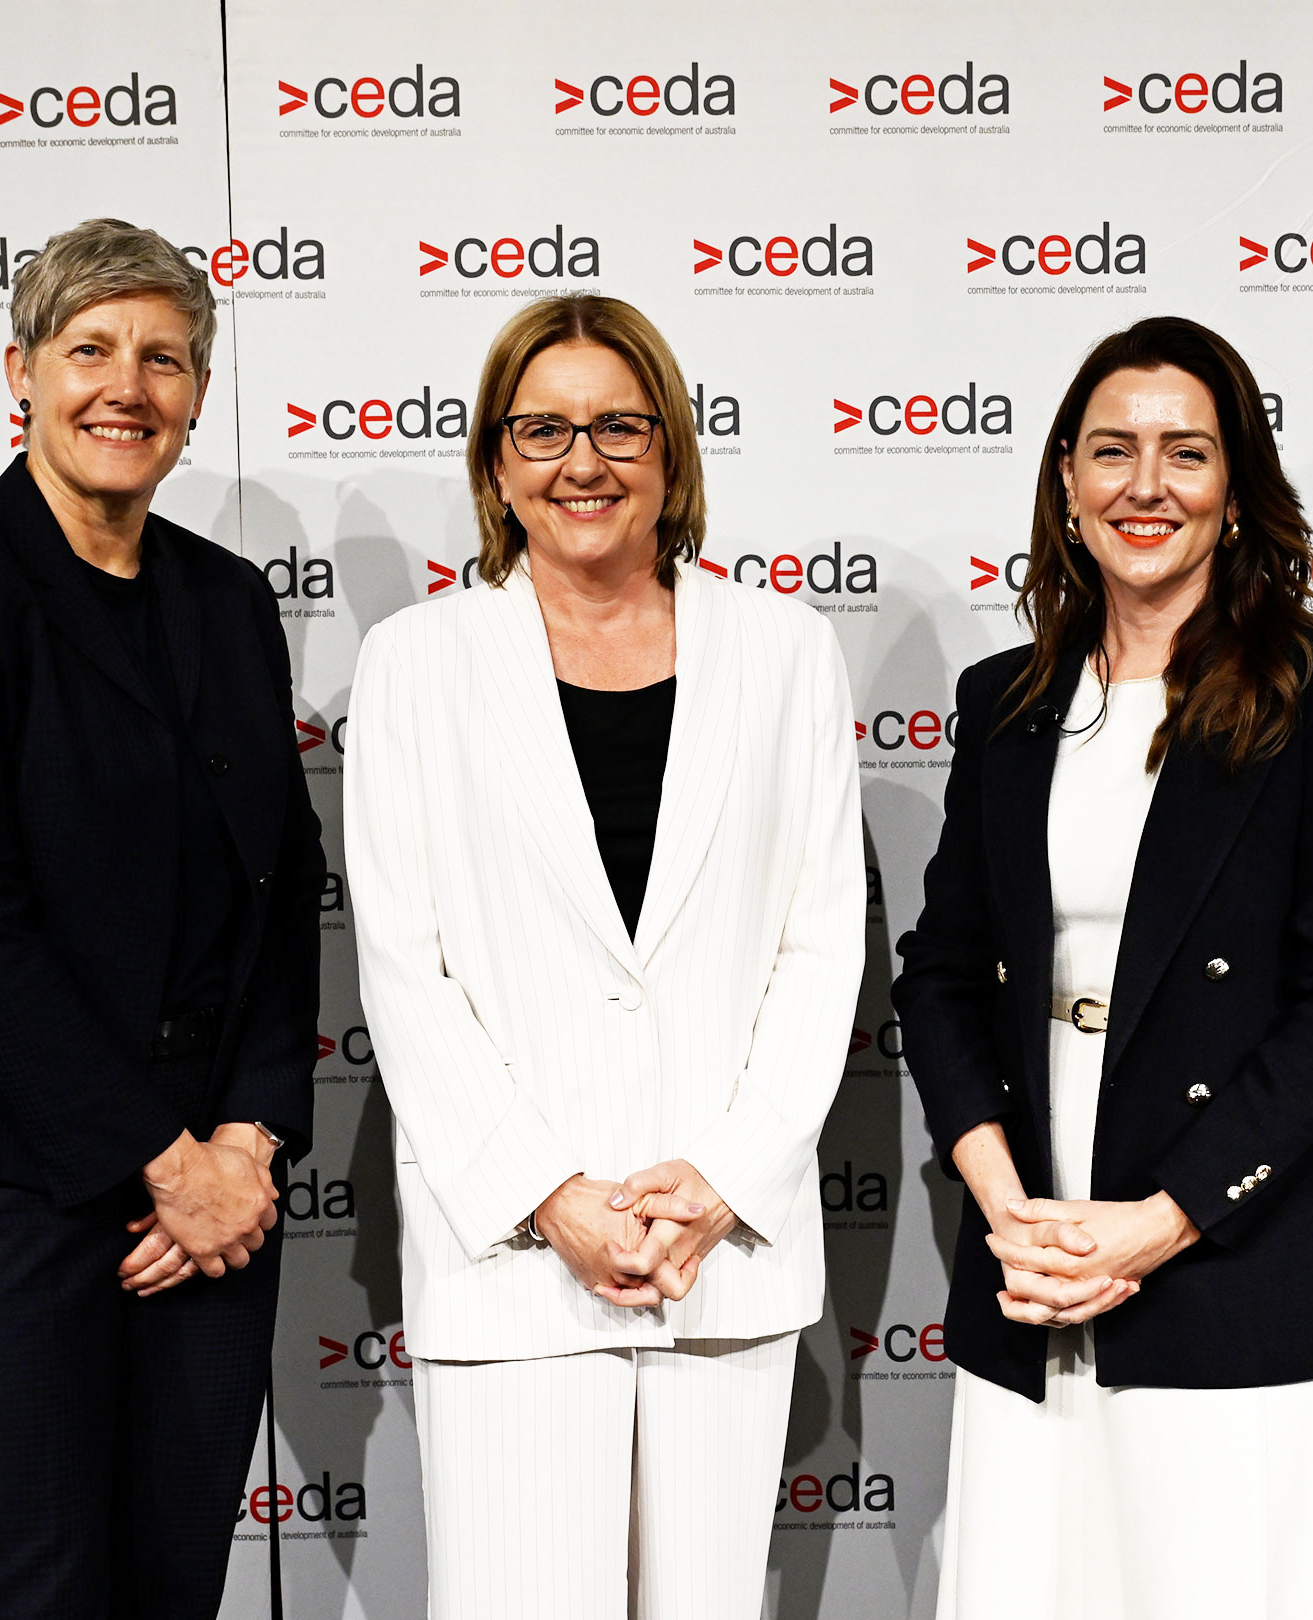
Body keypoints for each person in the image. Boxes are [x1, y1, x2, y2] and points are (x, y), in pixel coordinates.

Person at [0, 219, 324, 1619]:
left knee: (170, 1591)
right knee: (20, 1594)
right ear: (22, 373)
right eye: (91, 349)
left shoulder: (225, 604)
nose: (128, 386)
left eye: (164, 358)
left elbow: (280, 892)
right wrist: (159, 1159)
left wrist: (246, 1137)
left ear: (199, 396)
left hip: (209, 1198)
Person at [892, 316, 1313, 1620]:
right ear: (1065, 484)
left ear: (1237, 489)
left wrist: (1159, 1221)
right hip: (1032, 1272)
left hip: (1241, 1267)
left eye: (1187, 453)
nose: (1148, 485)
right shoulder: (1004, 700)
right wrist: (1006, 1203)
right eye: (1113, 451)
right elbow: (941, 975)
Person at [345, 294, 864, 1620]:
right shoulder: (414, 666)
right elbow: (405, 968)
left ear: (673, 452)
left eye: (621, 426)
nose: (585, 462)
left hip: (723, 1259)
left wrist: (724, 1182)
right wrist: (552, 1196)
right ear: (497, 465)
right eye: (546, 429)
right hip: (512, 1265)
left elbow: (819, 947)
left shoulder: (788, 656)